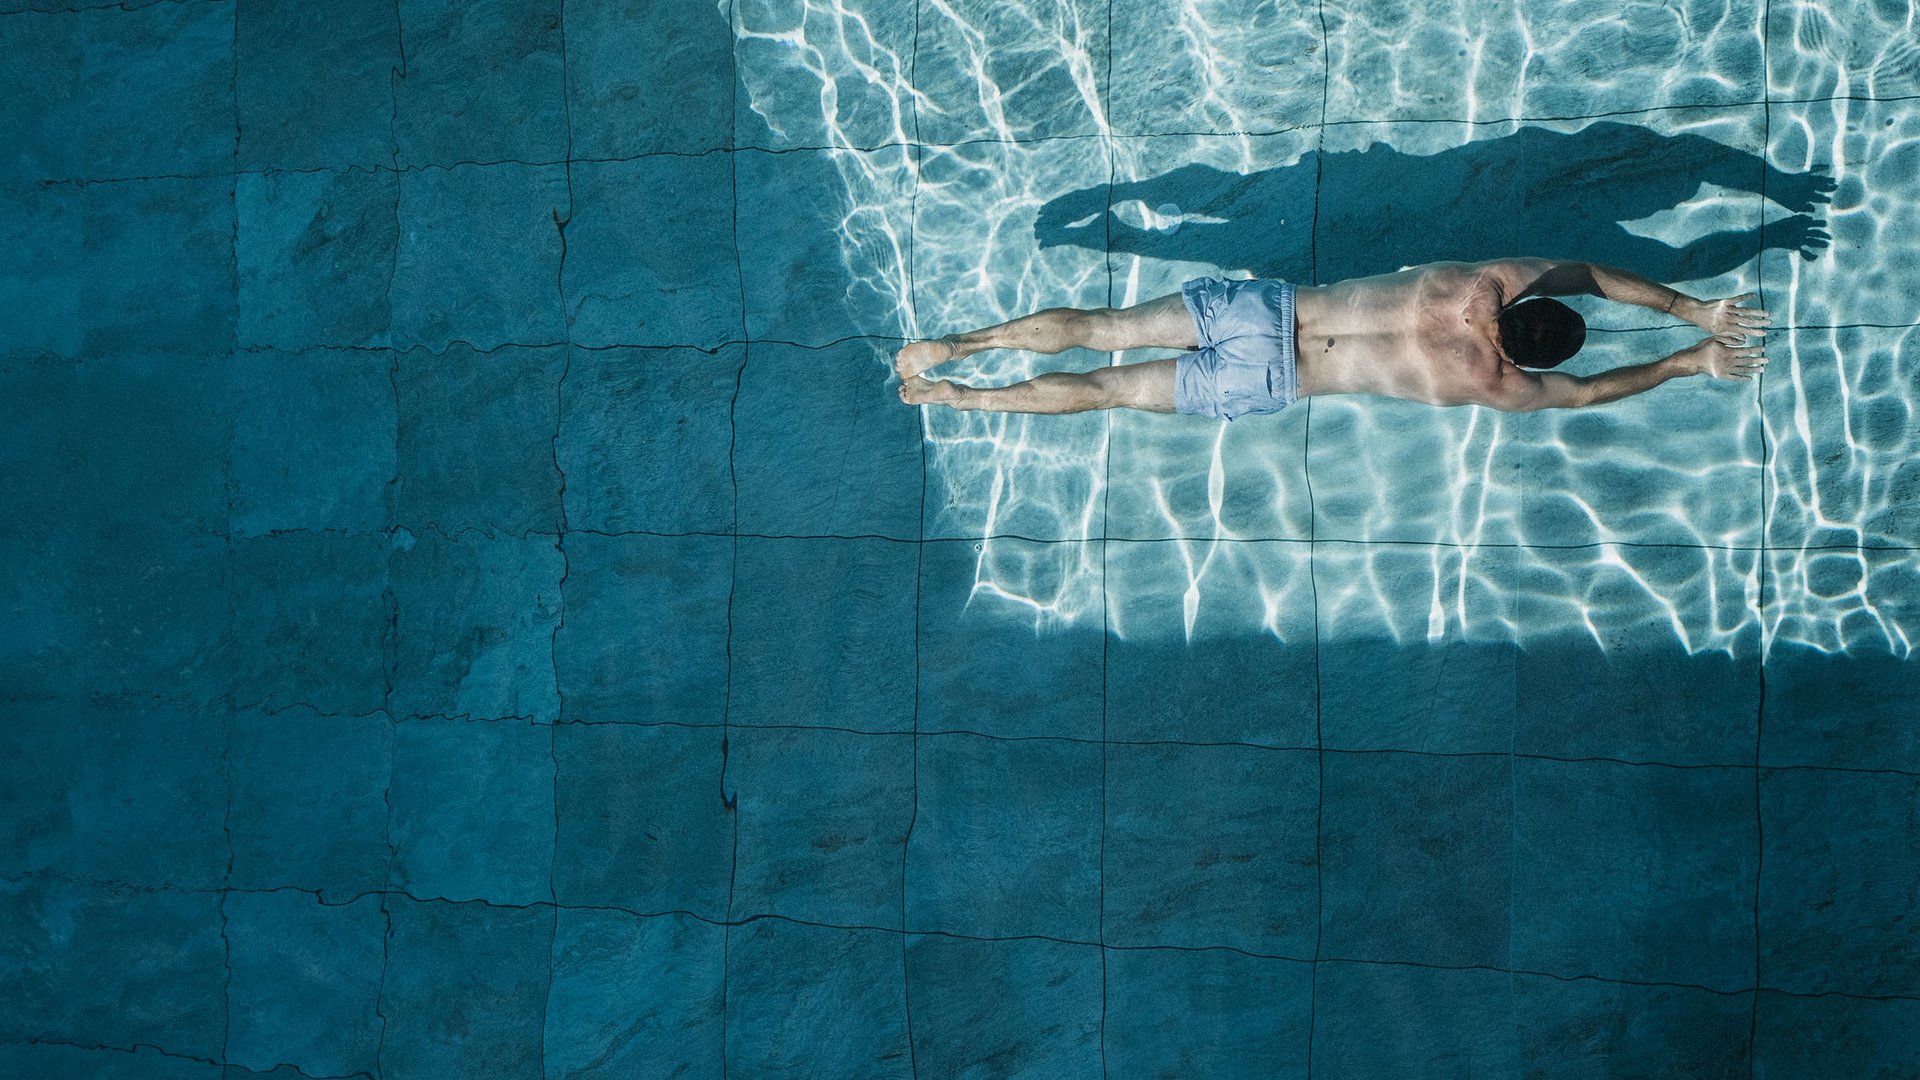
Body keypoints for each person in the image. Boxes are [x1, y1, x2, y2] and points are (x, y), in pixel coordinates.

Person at [893, 260, 1770, 418]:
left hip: (1267, 312)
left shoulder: (1483, 283)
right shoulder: (1496, 382)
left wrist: (1689, 308)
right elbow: (1590, 392)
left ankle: (958, 346)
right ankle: (961, 400)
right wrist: (1688, 362)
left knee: (1100, 330)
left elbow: (1585, 273)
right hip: (1274, 382)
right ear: (1521, 354)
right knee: (1108, 391)